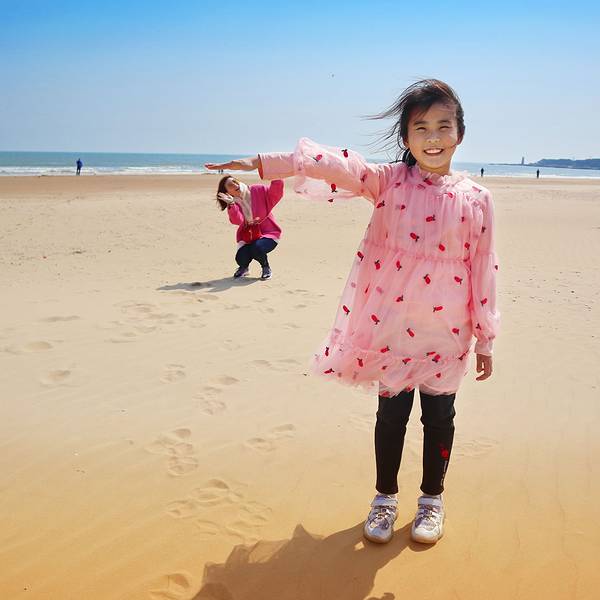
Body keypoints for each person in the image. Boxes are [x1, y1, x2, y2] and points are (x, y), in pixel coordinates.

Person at [206, 79, 500, 545]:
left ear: (460, 133)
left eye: (444, 126)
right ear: (406, 138)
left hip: (447, 333)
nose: (433, 137)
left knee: (440, 418)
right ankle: (385, 498)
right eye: (421, 127)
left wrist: (485, 337)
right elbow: (336, 164)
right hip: (393, 330)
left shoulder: (477, 198)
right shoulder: (388, 181)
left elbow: (483, 267)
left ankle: (432, 500)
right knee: (391, 417)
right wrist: (262, 162)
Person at [207, 174, 284, 280]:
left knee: (257, 248)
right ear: (227, 192)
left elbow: (275, 195)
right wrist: (231, 204)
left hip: (268, 233)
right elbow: (238, 221)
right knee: (240, 258)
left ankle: (266, 267)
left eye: (235, 181)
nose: (235, 185)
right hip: (248, 236)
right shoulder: (233, 203)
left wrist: (276, 178)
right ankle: (244, 268)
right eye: (230, 185)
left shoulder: (257, 190)